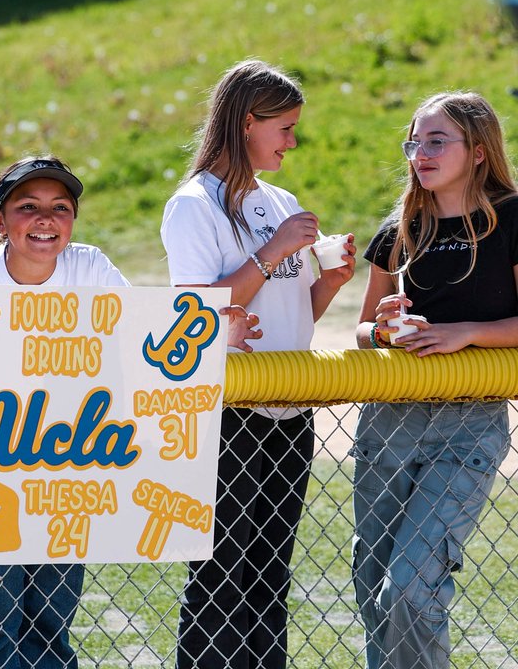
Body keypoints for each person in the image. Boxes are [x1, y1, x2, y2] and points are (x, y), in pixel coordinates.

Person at [160, 58, 355, 669]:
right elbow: (196, 314)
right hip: (227, 414)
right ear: (248, 122)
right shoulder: (194, 204)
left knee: (271, 580)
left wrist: (331, 281)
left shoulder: (280, 199)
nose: (293, 141)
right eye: (286, 128)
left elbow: (295, 317)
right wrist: (273, 251)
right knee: (220, 580)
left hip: (292, 413)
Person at [0, 155, 129, 669]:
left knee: (51, 620)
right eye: (28, 207)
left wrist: (215, 336)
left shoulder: (90, 268)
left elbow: (144, 341)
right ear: (1, 221)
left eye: (59, 208)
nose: (45, 220)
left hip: (65, 474)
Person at [352, 91, 518, 669]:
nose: (420, 153)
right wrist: (386, 330)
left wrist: (465, 332)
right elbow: (362, 331)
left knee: (409, 589)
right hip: (387, 426)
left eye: (436, 141)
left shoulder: (512, 218)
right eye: (414, 142)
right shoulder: (399, 229)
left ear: (478, 151)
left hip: (469, 425)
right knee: (375, 594)